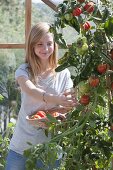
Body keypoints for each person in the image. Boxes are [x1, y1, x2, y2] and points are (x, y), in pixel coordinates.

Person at [5, 22, 77, 170]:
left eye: (49, 43)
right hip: (21, 147)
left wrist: (65, 109)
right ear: (32, 46)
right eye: (39, 44)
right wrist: (56, 99)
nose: (45, 49)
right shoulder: (24, 70)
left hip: (50, 149)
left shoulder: (63, 73)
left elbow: (67, 104)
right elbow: (30, 90)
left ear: (55, 45)